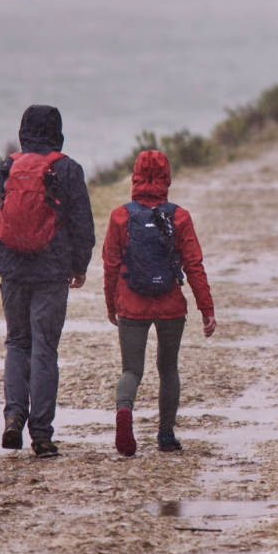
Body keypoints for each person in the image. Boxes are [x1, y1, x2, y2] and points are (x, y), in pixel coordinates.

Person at [0, 104, 95, 458]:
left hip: (12, 268)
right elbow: (82, 223)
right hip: (52, 270)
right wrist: (79, 264)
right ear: (57, 131)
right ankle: (41, 434)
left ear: (23, 130)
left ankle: (13, 417)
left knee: (17, 343)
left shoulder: (6, 167)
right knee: (45, 347)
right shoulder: (68, 169)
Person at [100, 148, 215, 456]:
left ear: (135, 177)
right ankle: (166, 435)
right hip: (170, 306)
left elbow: (110, 265)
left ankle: (125, 410)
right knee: (168, 369)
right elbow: (194, 265)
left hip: (132, 304)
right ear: (167, 179)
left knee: (131, 370)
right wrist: (207, 308)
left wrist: (112, 304)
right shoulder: (179, 216)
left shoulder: (120, 216)